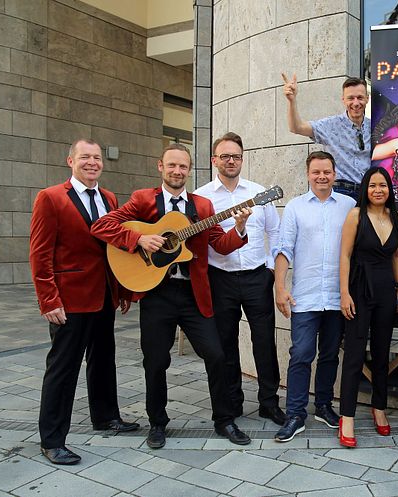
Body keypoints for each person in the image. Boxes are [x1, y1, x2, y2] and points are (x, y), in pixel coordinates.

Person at [91, 143, 253, 449]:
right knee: (155, 361)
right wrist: (139, 238)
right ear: (160, 167)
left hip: (193, 295)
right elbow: (103, 226)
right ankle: (157, 423)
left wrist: (240, 229)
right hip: (156, 294)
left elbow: (221, 244)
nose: (177, 171)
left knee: (217, 356)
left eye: (183, 167)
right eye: (172, 166)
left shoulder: (202, 207)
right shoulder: (143, 200)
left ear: (189, 171)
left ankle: (225, 419)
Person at [29, 139, 138, 465]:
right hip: (70, 301)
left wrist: (122, 291)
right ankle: (52, 439)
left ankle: (106, 417)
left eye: (96, 158)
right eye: (85, 157)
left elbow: (113, 248)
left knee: (104, 360)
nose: (92, 162)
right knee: (63, 370)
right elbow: (39, 253)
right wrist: (49, 300)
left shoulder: (109, 198)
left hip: (103, 297)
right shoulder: (50, 198)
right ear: (71, 161)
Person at [193, 132, 285, 426]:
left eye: (236, 156)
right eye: (225, 156)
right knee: (225, 344)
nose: (231, 161)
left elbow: (276, 233)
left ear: (242, 159)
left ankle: (269, 403)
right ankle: (231, 403)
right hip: (220, 278)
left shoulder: (259, 193)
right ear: (214, 160)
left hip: (258, 277)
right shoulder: (201, 197)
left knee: (264, 342)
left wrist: (270, 269)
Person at [273, 151, 356, 442]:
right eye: (316, 172)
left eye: (327, 172)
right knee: (301, 353)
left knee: (330, 354)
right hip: (305, 297)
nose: (322, 177)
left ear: (335, 174)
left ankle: (323, 405)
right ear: (308, 174)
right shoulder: (295, 208)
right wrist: (280, 288)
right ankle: (295, 413)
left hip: (337, 296)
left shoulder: (349, 206)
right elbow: (283, 249)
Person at [338, 167, 398, 447]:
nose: (378, 190)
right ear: (365, 189)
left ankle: (379, 407)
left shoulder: (396, 217)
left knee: (381, 353)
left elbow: (397, 255)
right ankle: (347, 416)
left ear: (390, 189)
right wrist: (344, 293)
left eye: (383, 185)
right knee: (354, 354)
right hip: (359, 290)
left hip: (386, 292)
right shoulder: (355, 215)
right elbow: (345, 255)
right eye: (373, 185)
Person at [281, 73, 370, 199]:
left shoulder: (376, 127)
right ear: (343, 100)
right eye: (351, 98)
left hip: (369, 193)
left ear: (367, 98)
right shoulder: (330, 125)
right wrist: (291, 100)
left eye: (360, 97)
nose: (356, 103)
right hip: (341, 191)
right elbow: (297, 127)